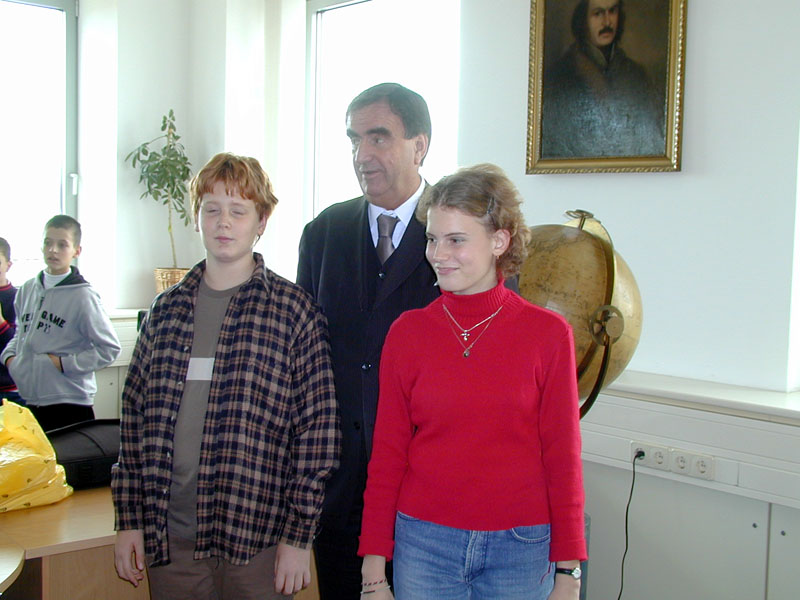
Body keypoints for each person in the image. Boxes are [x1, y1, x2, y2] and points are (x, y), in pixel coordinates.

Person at [112, 152, 340, 600]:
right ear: (197, 217)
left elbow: (318, 434)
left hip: (259, 539)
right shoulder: (165, 312)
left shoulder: (294, 313)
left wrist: (298, 538)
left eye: (238, 210)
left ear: (261, 221)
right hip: (171, 538)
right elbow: (134, 423)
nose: (223, 222)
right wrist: (129, 521)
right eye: (211, 209)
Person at [358, 164, 587, 600]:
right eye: (432, 239)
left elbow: (563, 458)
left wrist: (569, 572)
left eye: (456, 240)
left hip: (521, 548)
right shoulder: (408, 333)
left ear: (499, 241)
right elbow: (387, 455)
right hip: (424, 544)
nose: (438, 254)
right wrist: (373, 570)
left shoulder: (548, 335)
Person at [296, 82, 440, 599]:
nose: (362, 155)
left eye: (378, 138)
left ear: (419, 146)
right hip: (338, 495)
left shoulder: (460, 235)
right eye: (354, 140)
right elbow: (305, 361)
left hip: (427, 493)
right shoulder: (324, 233)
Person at [1, 216, 121, 431]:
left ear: (76, 251)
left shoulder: (84, 296)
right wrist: (10, 359)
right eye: (48, 243)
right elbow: (20, 333)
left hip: (69, 402)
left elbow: (109, 349)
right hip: (30, 400)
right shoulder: (27, 289)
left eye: (62, 244)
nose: (53, 250)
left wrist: (62, 364)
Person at [541, 0, 665, 158]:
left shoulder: (636, 75)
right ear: (582, 20)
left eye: (612, 11)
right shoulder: (560, 76)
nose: (607, 22)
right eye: (597, 14)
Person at [0, 237, 21, 404]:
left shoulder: (19, 298)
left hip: (10, 389)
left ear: (8, 265)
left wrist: (1, 322)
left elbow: (21, 345)